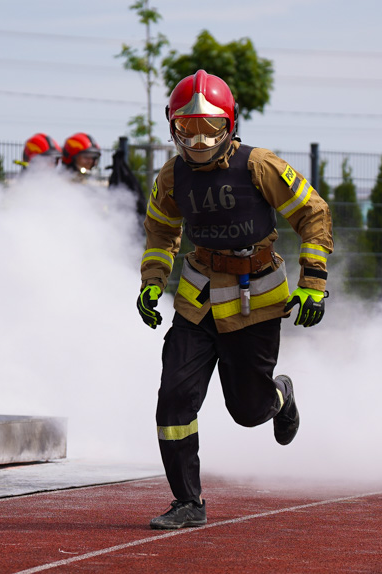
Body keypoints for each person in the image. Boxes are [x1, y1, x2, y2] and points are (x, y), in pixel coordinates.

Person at [136, 70, 333, 530]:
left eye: (210, 128)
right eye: (188, 128)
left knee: (247, 412)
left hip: (255, 300)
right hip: (196, 300)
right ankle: (188, 502)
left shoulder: (259, 165)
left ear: (230, 123)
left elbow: (313, 213)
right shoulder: (172, 176)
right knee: (174, 398)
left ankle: (278, 397)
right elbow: (161, 231)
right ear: (172, 126)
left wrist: (314, 283)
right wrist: (151, 280)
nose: (199, 141)